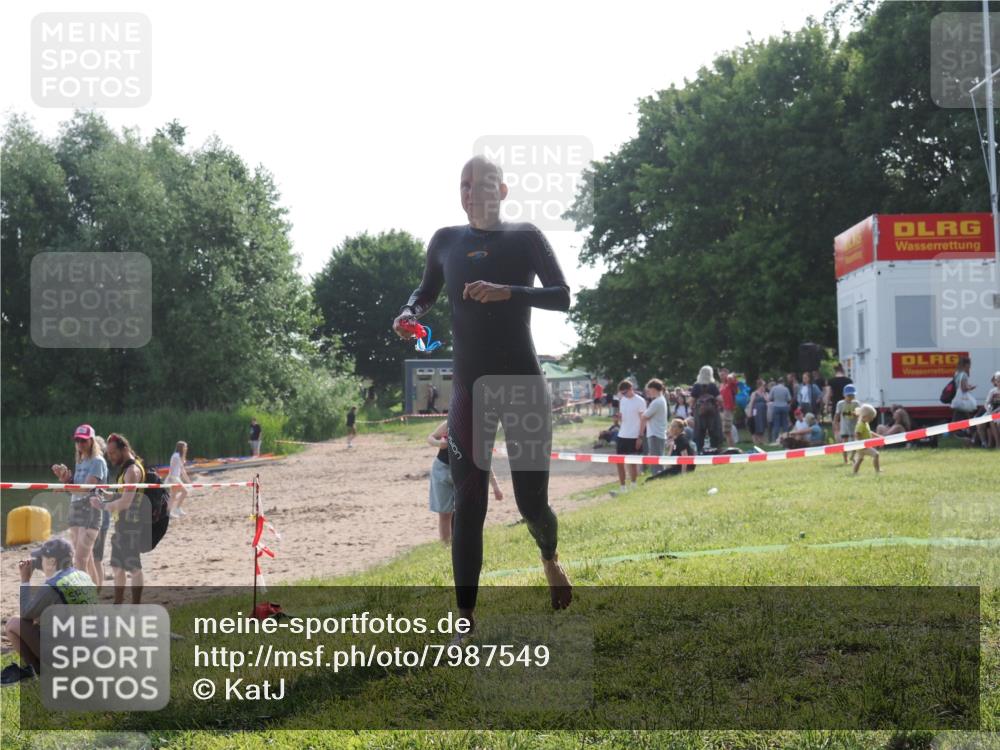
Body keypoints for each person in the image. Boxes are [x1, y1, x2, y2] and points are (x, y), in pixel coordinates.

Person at [393, 155, 573, 634]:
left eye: (482, 183)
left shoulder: (526, 237)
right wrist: (411, 310)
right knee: (469, 502)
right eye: (464, 184)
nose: (471, 191)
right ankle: (465, 617)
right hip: (470, 389)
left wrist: (508, 291)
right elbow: (426, 289)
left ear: (504, 190)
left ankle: (549, 556)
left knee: (531, 502)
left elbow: (562, 295)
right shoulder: (445, 241)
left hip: (523, 386)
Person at [2, 537, 96, 686]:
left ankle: (36, 670)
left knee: (13, 624)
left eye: (42, 558)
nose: (39, 561)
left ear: (52, 561)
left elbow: (26, 613)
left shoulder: (53, 585)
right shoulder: (83, 576)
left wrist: (25, 579)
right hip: (92, 653)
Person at [49, 424, 108, 595]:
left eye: (83, 440)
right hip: (76, 507)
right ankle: (94, 594)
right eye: (77, 440)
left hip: (90, 509)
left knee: (80, 559)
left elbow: (86, 488)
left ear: (91, 441)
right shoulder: (80, 460)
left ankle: (85, 598)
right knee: (85, 558)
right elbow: (76, 486)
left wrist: (65, 486)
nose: (80, 444)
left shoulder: (98, 461)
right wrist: (64, 478)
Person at [91, 434, 147, 605]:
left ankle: (136, 605)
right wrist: (107, 495)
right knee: (117, 567)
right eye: (108, 453)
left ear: (124, 449)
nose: (111, 457)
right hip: (121, 524)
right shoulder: (126, 469)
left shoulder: (132, 471)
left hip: (132, 525)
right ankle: (118, 603)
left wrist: (102, 506)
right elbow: (122, 495)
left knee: (134, 568)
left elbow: (125, 502)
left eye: (113, 453)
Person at [427, 421, 502, 543]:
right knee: (445, 513)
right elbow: (430, 437)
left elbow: (485, 463)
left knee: (464, 512)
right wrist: (439, 443)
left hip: (463, 473)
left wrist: (495, 487)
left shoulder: (482, 439)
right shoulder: (453, 421)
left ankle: (461, 543)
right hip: (442, 470)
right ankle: (445, 546)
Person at [612, 380, 646, 493]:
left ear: (631, 389)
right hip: (622, 434)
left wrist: (640, 437)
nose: (623, 395)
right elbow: (624, 417)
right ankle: (622, 487)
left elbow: (643, 420)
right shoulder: (623, 400)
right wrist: (618, 418)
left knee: (632, 463)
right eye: (621, 393)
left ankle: (633, 485)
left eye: (625, 392)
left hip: (634, 436)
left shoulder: (640, 401)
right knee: (619, 462)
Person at [690, 366, 723, 453]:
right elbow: (720, 399)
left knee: (699, 433)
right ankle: (715, 451)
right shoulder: (712, 386)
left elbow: (691, 401)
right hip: (712, 413)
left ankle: (699, 451)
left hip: (699, 413)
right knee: (714, 432)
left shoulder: (696, 386)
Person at [639, 379, 669, 477]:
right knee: (658, 459)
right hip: (657, 433)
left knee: (656, 461)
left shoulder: (657, 402)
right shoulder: (661, 400)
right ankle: (659, 477)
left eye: (649, 390)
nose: (648, 392)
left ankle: (657, 477)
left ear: (654, 389)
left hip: (655, 434)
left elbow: (644, 416)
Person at [834, 384, 860, 464]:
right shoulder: (840, 404)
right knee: (844, 444)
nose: (851, 397)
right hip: (844, 427)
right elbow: (837, 416)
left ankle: (852, 457)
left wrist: (856, 415)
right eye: (849, 396)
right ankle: (845, 460)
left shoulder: (856, 403)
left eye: (852, 395)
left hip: (854, 427)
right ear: (844, 395)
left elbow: (859, 415)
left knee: (855, 443)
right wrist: (837, 428)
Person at [166, 441, 193, 518]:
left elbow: (182, 470)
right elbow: (173, 469)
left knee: (173, 496)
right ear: (181, 447)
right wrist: (171, 478)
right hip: (174, 478)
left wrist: (188, 481)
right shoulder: (176, 456)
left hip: (175, 477)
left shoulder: (179, 456)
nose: (186, 448)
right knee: (184, 492)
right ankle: (176, 509)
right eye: (185, 447)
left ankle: (170, 512)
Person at [950, 356, 978, 432]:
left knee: (960, 419)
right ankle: (971, 434)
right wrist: (971, 388)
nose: (970, 366)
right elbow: (963, 388)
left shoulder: (957, 373)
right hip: (963, 400)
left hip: (958, 399)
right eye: (969, 364)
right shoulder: (964, 375)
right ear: (966, 365)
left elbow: (959, 386)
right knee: (965, 420)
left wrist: (967, 386)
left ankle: (968, 433)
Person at [852, 404, 881, 475]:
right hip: (863, 446)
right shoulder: (861, 424)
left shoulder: (865, 423)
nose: (872, 419)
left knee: (860, 459)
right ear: (865, 417)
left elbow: (870, 432)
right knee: (876, 454)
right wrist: (861, 443)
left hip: (862, 446)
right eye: (871, 418)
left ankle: (854, 472)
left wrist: (878, 436)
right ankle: (877, 470)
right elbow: (857, 434)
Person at [746, 379, 769, 447]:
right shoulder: (754, 393)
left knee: (763, 425)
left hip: (763, 412)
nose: (764, 387)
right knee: (757, 424)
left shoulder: (765, 393)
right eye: (763, 385)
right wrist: (750, 412)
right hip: (756, 412)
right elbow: (751, 403)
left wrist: (764, 394)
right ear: (759, 385)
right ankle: (758, 440)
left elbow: (767, 401)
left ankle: (762, 440)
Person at [719, 372, 739, 448]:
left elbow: (734, 378)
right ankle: (731, 447)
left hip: (728, 408)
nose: (721, 376)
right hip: (722, 409)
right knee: (726, 431)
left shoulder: (730, 383)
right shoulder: (721, 385)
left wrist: (730, 376)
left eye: (723, 374)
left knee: (727, 430)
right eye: (720, 375)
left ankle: (732, 448)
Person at [769, 378, 792, 444]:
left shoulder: (773, 388)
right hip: (784, 407)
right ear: (783, 382)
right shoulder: (786, 389)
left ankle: (775, 440)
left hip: (776, 406)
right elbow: (789, 399)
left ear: (777, 382)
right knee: (785, 424)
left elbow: (770, 398)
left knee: (776, 425)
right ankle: (786, 439)